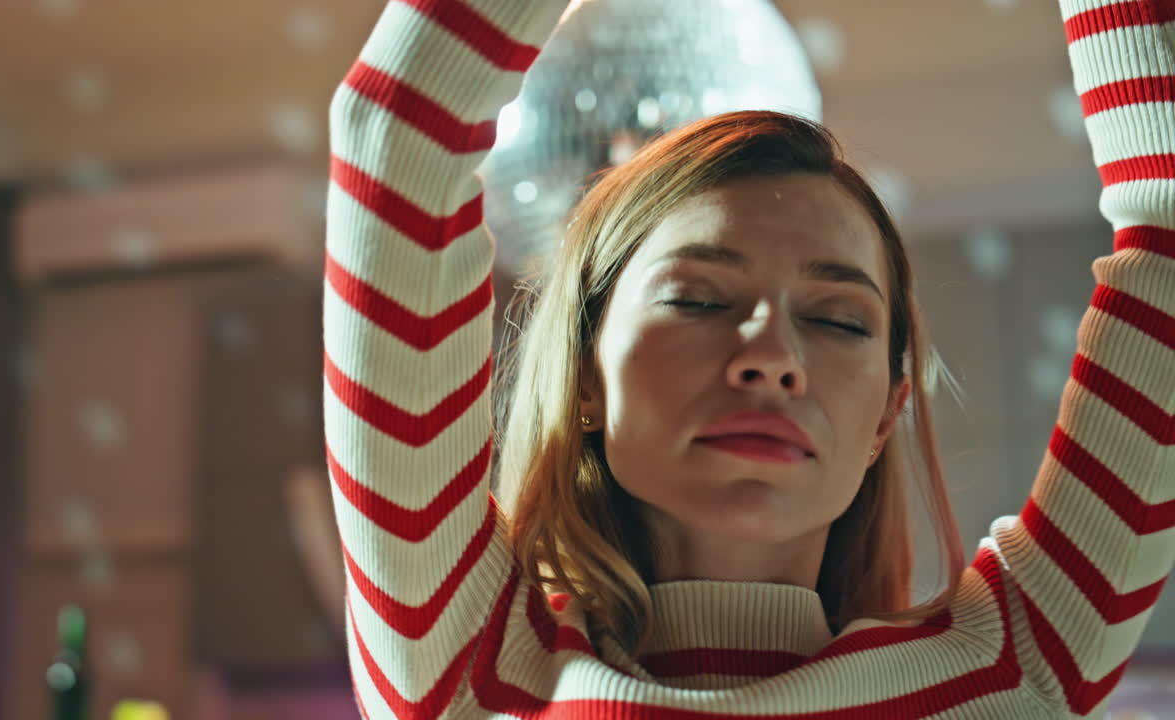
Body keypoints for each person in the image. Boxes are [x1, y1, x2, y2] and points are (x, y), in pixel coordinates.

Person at [322, 0, 1174, 717]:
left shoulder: (1014, 674)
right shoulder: (467, 664)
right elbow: (398, 136)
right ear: (584, 374)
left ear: (886, 415)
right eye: (697, 301)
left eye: (840, 320)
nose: (771, 357)